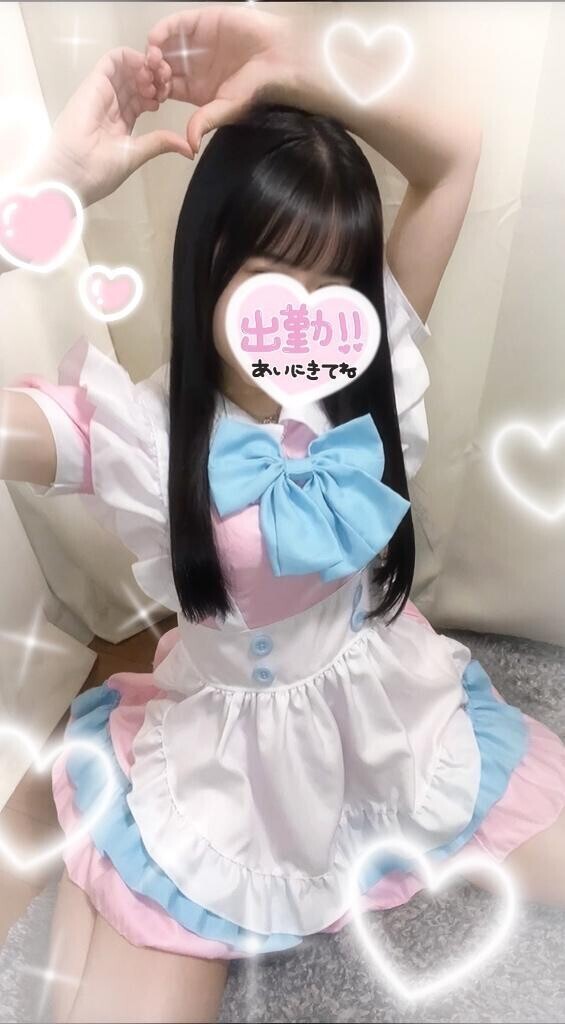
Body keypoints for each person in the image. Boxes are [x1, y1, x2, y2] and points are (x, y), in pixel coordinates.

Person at [1, 6, 564, 1023]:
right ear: (209, 263)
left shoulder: (376, 358)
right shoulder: (135, 435)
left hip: (392, 725)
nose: (301, 321)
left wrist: (295, 66)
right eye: (269, 277)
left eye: (333, 282)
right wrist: (44, 197)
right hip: (228, 779)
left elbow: (454, 158)